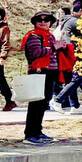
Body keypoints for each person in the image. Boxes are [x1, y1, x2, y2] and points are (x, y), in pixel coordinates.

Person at [19, 12, 59, 143]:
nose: (43, 22)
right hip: (38, 72)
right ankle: (30, 134)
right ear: (35, 22)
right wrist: (54, 47)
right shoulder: (34, 36)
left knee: (43, 103)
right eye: (39, 20)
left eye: (46, 20)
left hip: (50, 72)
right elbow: (35, 53)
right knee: (36, 102)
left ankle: (38, 131)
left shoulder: (50, 36)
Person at [54, 0, 82, 111]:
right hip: (76, 53)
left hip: (68, 53)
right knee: (77, 77)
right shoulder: (76, 22)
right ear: (80, 11)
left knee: (77, 77)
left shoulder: (66, 20)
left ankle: (77, 104)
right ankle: (59, 100)